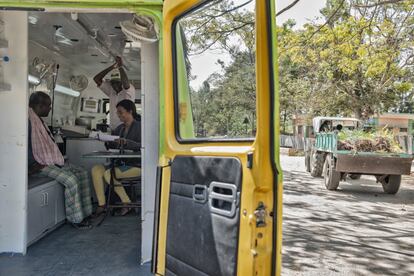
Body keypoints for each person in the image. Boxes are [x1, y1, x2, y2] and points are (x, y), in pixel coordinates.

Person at [28, 92, 92, 229]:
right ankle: (75, 219)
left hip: (49, 161)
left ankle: (86, 212)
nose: (50, 109)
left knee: (82, 173)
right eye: (49, 106)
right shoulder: (28, 121)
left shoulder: (39, 121)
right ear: (40, 106)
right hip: (38, 165)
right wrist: (32, 165)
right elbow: (25, 146)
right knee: (71, 180)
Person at [91, 99, 141, 216]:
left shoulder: (140, 127)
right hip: (120, 164)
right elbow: (113, 144)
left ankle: (126, 203)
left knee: (109, 174)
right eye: (117, 112)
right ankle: (102, 204)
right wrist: (104, 140)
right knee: (96, 170)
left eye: (120, 112)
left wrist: (126, 142)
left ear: (130, 111)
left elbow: (143, 145)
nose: (118, 115)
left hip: (136, 166)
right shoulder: (119, 129)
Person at [93, 56, 135, 129]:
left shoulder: (129, 91)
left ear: (121, 82)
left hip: (126, 130)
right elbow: (96, 79)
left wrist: (120, 67)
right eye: (113, 83)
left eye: (117, 82)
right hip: (113, 130)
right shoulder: (111, 91)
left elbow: (126, 83)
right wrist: (111, 67)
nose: (115, 85)